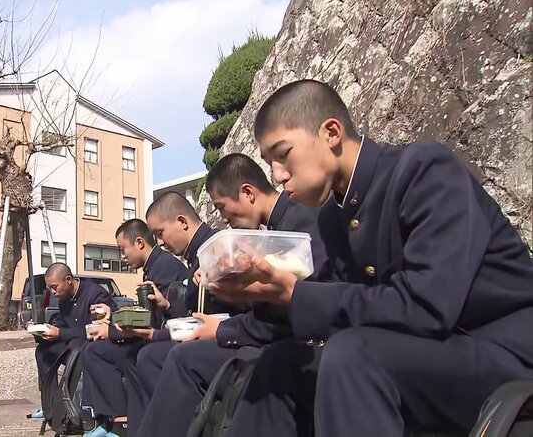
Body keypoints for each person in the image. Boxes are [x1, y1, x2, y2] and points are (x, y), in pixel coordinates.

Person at [210, 79, 533, 436]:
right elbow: (330, 297)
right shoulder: (333, 216)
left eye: (283, 155)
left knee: (352, 354)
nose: (278, 175)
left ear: (331, 132)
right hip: (429, 355)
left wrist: (296, 295)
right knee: (281, 364)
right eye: (270, 163)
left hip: (505, 360)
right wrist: (258, 286)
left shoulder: (423, 170)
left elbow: (429, 307)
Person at [136, 153, 329, 437]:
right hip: (272, 337)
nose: (224, 219)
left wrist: (224, 325)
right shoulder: (280, 227)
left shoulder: (297, 227)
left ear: (248, 193)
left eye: (222, 207)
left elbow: (292, 307)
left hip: (291, 344)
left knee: (180, 358)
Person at [122, 193, 250, 436]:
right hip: (209, 335)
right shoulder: (197, 256)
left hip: (233, 340)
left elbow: (240, 307)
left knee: (158, 356)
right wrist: (166, 305)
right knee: (145, 355)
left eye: (160, 233)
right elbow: (195, 311)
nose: (159, 242)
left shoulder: (217, 248)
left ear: (182, 222)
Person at [80, 219, 187, 437]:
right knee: (93, 350)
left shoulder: (164, 266)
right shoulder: (154, 266)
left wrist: (110, 331)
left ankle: (122, 423)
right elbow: (146, 313)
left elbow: (151, 320)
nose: (122, 256)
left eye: (122, 249)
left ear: (139, 243)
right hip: (153, 337)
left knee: (105, 352)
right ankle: (115, 420)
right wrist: (112, 316)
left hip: (165, 339)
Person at [27, 262, 116, 420]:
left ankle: (78, 407)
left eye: (55, 287)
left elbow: (94, 330)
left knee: (78, 352)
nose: (53, 293)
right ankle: (50, 403)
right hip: (72, 344)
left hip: (90, 346)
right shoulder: (64, 299)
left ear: (68, 279)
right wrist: (43, 330)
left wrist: (60, 332)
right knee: (43, 351)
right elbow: (63, 324)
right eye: (50, 288)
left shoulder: (95, 295)